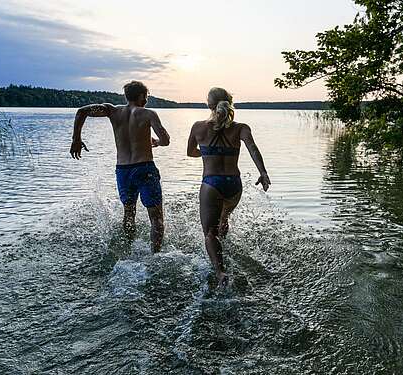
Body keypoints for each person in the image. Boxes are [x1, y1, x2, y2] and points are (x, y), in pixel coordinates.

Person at [70, 81, 170, 252]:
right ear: (141, 96)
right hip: (145, 168)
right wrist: (157, 142)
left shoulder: (112, 111)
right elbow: (166, 140)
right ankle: (156, 255)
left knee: (129, 213)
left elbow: (82, 111)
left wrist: (76, 139)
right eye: (146, 96)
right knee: (156, 218)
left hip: (123, 171)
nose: (146, 100)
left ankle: (128, 250)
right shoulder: (148, 114)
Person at [187, 87, 270, 287]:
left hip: (211, 183)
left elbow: (190, 152)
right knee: (223, 219)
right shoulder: (241, 127)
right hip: (234, 184)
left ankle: (220, 272)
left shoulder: (198, 127)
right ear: (229, 102)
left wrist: (207, 154)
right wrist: (263, 172)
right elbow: (253, 148)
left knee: (209, 232)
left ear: (209, 104)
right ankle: (223, 247)